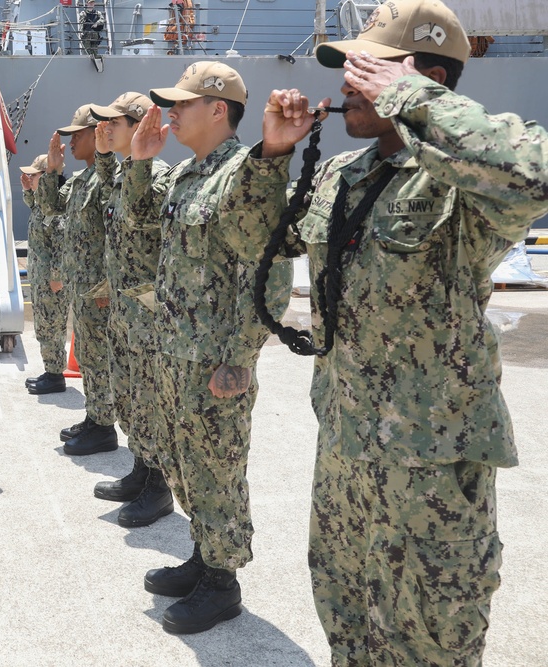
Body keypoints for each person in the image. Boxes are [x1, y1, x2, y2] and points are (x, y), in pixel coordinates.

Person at [234, 0, 548, 662]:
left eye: (363, 67)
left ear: (424, 77)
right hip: (345, 458)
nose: (345, 82)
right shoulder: (342, 175)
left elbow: (535, 172)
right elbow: (250, 245)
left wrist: (414, 100)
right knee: (345, 622)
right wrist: (269, 157)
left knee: (430, 644)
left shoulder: (463, 187)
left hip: (428, 481)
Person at [122, 62, 292, 634]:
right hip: (175, 350)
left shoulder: (245, 175)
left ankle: (223, 584)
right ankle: (204, 557)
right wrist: (141, 166)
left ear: (218, 109)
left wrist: (241, 357)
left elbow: (267, 272)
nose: (170, 112)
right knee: (188, 466)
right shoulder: (187, 175)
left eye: (182, 103)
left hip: (214, 358)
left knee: (217, 468)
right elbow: (138, 227)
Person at [87, 92, 174, 528]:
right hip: (124, 307)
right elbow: (110, 198)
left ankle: (158, 488)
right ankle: (141, 469)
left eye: (113, 123)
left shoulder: (155, 179)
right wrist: (105, 156)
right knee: (129, 395)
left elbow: (141, 218)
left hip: (147, 309)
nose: (104, 129)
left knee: (149, 399)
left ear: (139, 127)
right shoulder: (123, 175)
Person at [37, 105, 117, 455]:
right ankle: (95, 416)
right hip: (81, 288)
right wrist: (53, 172)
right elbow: (52, 207)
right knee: (86, 353)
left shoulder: (109, 177)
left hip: (99, 289)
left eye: (77, 135)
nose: (70, 142)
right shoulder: (83, 180)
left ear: (98, 134)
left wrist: (107, 287)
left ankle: (104, 427)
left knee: (99, 356)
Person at [19, 154, 68, 395]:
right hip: (40, 277)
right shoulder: (43, 203)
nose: (30, 177)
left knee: (52, 326)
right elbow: (35, 209)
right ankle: (51, 370)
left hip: (51, 281)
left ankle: (56, 375)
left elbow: (60, 243)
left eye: (34, 175)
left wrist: (57, 276)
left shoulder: (57, 208)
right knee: (43, 325)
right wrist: (28, 190)